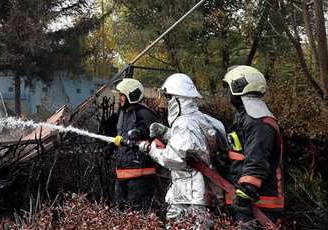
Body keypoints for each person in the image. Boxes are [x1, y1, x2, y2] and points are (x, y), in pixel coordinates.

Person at [140, 73, 228, 222]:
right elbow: (195, 147)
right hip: (206, 191)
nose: (166, 104)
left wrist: (151, 150)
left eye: (168, 99)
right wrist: (166, 133)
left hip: (188, 194)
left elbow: (174, 158)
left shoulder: (184, 123)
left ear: (175, 99)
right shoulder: (205, 119)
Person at [222, 65, 284, 228]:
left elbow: (256, 163)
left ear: (238, 88)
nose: (228, 93)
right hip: (248, 200)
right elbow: (244, 154)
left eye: (229, 88)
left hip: (257, 202)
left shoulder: (257, 122)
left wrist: (245, 193)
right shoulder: (246, 118)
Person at [102, 78, 161, 211]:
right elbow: (123, 137)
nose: (119, 98)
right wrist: (112, 146)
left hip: (141, 178)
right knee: (122, 216)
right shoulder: (123, 114)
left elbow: (162, 141)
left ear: (131, 95)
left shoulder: (147, 115)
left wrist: (149, 151)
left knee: (138, 216)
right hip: (122, 176)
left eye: (121, 95)